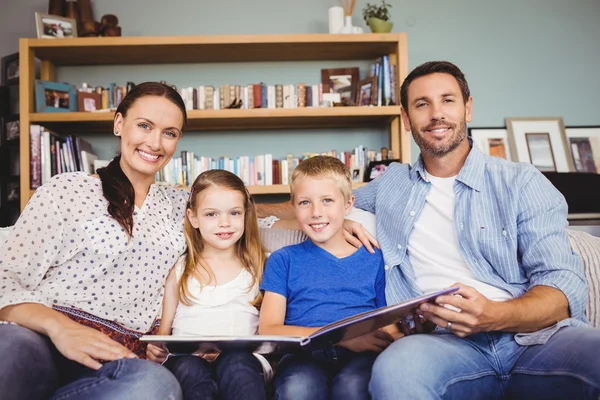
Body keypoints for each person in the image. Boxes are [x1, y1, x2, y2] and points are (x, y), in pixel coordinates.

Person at [256, 61, 600, 399]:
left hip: (536, 339)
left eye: (447, 100)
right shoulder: (391, 183)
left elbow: (564, 288)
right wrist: (327, 216)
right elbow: (318, 199)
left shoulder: (521, 182)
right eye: (422, 104)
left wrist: (493, 316)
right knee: (396, 371)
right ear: (406, 119)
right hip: (441, 345)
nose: (436, 113)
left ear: (468, 108)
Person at [0, 82, 188, 400]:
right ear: (118, 124)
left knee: (157, 387)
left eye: (169, 133)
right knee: (7, 354)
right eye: (144, 126)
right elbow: (5, 280)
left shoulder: (180, 206)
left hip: (119, 359)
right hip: (43, 336)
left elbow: (250, 213)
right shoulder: (68, 190)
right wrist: (61, 329)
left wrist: (303, 204)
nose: (155, 143)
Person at [258, 155, 398, 400]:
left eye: (327, 201)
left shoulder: (373, 258)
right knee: (298, 389)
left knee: (353, 387)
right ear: (293, 206)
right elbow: (269, 329)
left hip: (362, 356)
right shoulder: (283, 260)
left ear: (347, 205)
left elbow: (386, 325)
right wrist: (342, 338)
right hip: (304, 357)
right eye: (304, 202)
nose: (316, 212)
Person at [146, 169, 269, 400]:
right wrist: (157, 349)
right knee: (189, 368)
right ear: (194, 218)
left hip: (245, 362)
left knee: (236, 361)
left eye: (234, 213)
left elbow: (270, 332)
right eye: (211, 214)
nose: (224, 223)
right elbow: (164, 335)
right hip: (188, 360)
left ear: (245, 214)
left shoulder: (261, 267)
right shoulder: (181, 269)